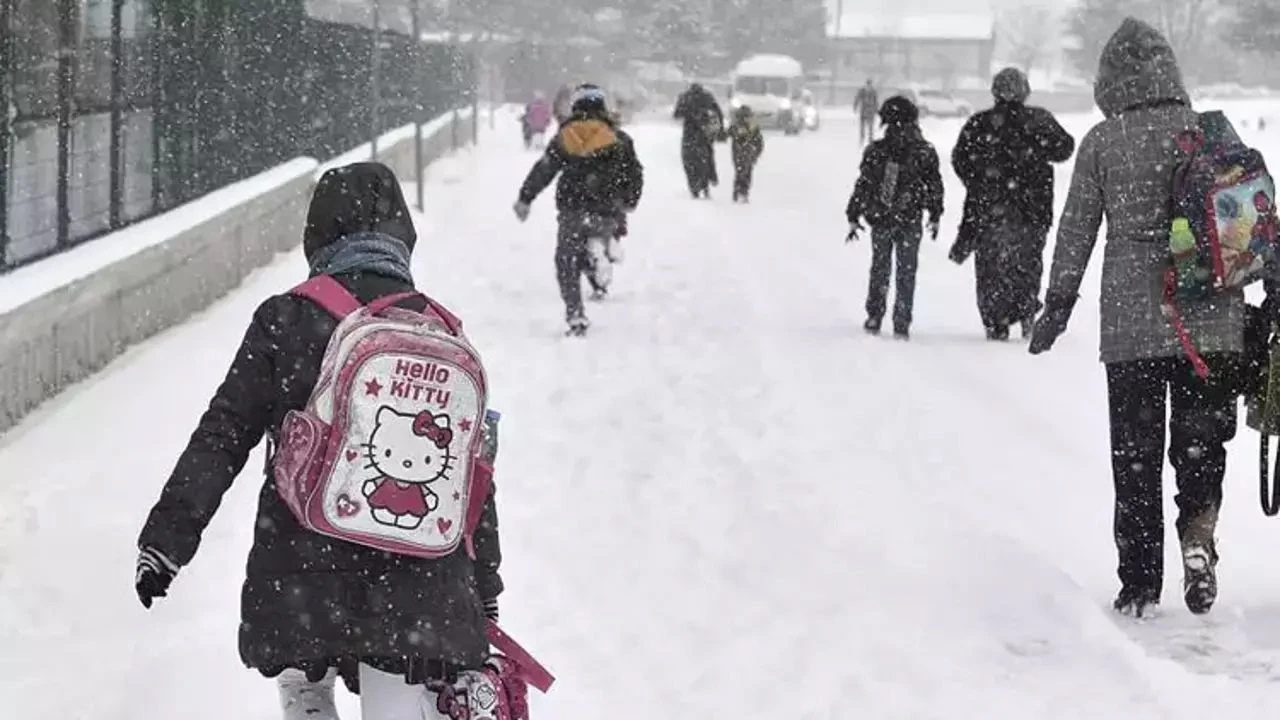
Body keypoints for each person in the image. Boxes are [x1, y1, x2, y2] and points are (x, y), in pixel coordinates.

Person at [133, 162, 505, 718]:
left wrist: (166, 540)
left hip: (302, 571)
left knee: (304, 661)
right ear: (402, 236)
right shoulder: (439, 331)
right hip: (419, 584)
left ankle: (306, 692)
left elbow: (224, 433)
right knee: (401, 692)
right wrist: (485, 584)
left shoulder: (286, 318)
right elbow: (470, 475)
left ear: (318, 235)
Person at [1029, 18, 1264, 618]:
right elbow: (1251, 221)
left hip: (1133, 323)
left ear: (1110, 81)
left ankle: (1138, 585)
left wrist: (1057, 305)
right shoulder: (1210, 132)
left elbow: (1077, 230)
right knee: (1201, 445)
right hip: (1211, 319)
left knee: (1135, 456)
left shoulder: (1105, 142)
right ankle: (1198, 537)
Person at [950, 67, 1075, 341]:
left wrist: (980, 181)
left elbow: (960, 159)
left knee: (990, 267)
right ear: (1024, 91)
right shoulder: (1039, 120)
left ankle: (996, 320)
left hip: (989, 210)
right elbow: (1065, 148)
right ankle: (1026, 309)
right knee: (1027, 263)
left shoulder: (980, 124)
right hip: (1033, 209)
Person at [513, 84, 645, 336]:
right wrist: (630, 200)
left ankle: (575, 314)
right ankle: (602, 258)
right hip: (607, 208)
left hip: (573, 208)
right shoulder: (619, 139)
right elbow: (634, 174)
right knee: (596, 240)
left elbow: (545, 169)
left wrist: (525, 198)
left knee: (567, 260)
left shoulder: (566, 136)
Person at [845, 96, 944, 340]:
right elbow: (934, 185)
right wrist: (935, 213)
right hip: (910, 218)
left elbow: (864, 184)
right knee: (906, 270)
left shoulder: (877, 151)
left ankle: (875, 314)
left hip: (881, 217)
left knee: (880, 267)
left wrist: (854, 212)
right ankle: (901, 319)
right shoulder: (924, 151)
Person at [673, 83, 724, 199]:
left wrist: (688, 113)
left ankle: (694, 187)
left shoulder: (685, 97)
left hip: (689, 134)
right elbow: (718, 112)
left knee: (689, 161)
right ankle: (707, 182)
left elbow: (676, 114)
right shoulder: (707, 97)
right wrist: (719, 127)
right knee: (706, 158)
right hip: (704, 132)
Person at [727, 105, 764, 203]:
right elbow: (726, 134)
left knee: (746, 172)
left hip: (749, 153)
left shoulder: (753, 128)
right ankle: (739, 191)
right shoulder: (736, 127)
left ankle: (743, 191)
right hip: (739, 153)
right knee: (741, 172)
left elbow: (759, 142)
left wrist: (756, 153)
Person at [853, 79, 879, 148]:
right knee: (863, 126)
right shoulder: (862, 91)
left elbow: (876, 101)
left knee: (870, 127)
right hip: (864, 111)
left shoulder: (873, 91)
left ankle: (870, 139)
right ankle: (862, 139)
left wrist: (876, 109)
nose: (869, 85)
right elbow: (857, 98)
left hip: (870, 111)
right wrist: (855, 106)